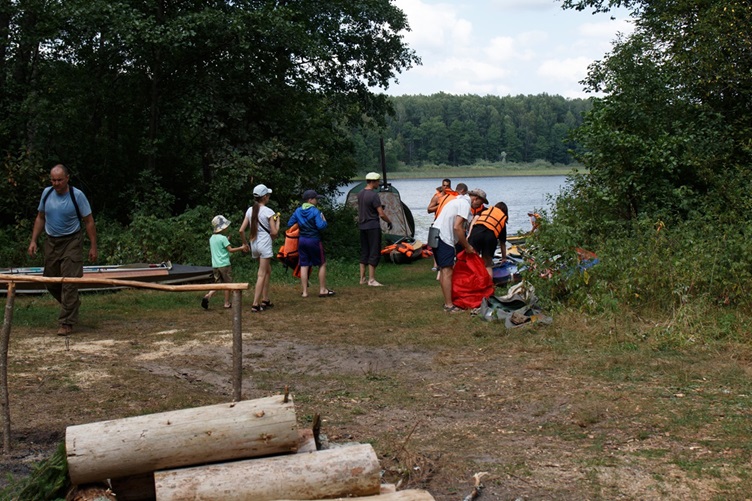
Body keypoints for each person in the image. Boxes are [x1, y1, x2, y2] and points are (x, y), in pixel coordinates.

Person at [28, 164, 97, 336]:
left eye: (59, 180)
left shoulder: (77, 195)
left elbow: (89, 221)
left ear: (67, 178)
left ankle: (66, 323)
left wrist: (93, 246)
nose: (56, 183)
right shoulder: (47, 193)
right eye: (53, 180)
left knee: (69, 282)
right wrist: (33, 240)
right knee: (50, 281)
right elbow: (40, 217)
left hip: (72, 241)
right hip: (52, 242)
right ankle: (71, 304)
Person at [432, 187, 485, 313]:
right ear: (476, 199)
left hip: (435, 234)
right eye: (481, 203)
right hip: (444, 237)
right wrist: (467, 246)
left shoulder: (457, 200)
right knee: (447, 271)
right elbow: (457, 227)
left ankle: (448, 302)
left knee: (445, 270)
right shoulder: (464, 204)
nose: (480, 206)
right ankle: (449, 306)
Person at [287, 189, 334, 298]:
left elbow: (290, 223)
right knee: (322, 263)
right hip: (314, 240)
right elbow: (320, 226)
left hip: (302, 241)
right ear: (310, 200)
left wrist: (301, 224)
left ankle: (304, 292)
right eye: (316, 198)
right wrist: (324, 220)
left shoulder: (298, 211)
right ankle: (322, 289)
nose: (317, 200)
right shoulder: (315, 211)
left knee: (304, 265)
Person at [239, 184, 279, 312]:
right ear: (265, 197)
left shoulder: (250, 210)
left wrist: (245, 244)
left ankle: (265, 299)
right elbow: (274, 233)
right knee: (261, 274)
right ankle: (255, 303)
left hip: (254, 242)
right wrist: (277, 222)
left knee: (267, 270)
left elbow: (241, 230)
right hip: (264, 243)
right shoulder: (268, 211)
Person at [202, 215, 247, 310]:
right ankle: (226, 303)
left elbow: (220, 247)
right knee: (227, 284)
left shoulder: (212, 238)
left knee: (218, 284)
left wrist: (227, 240)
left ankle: (208, 295)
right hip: (225, 265)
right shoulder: (223, 238)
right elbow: (230, 250)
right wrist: (241, 248)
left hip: (215, 265)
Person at [357, 172, 393, 286]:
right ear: (373, 182)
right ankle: (371, 280)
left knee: (364, 251)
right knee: (374, 251)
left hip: (362, 226)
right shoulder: (373, 195)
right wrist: (389, 221)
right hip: (372, 226)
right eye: (378, 182)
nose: (379, 184)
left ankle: (362, 279)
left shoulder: (360, 193)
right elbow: (381, 214)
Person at [469, 200, 508, 277]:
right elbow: (502, 243)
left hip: (476, 232)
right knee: (487, 265)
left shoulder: (486, 210)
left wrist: (469, 234)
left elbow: (474, 220)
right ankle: (488, 287)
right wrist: (504, 258)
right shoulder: (502, 219)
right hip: (490, 236)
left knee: (473, 261)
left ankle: (473, 284)